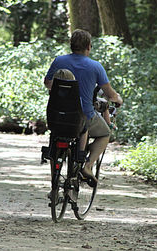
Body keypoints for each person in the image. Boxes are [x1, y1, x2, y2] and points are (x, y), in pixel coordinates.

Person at [44, 29, 123, 186]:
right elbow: (109, 93)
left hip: (56, 116)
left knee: (55, 140)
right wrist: (118, 99)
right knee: (105, 134)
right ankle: (87, 165)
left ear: (71, 45)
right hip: (83, 118)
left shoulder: (59, 61)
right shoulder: (95, 66)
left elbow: (48, 83)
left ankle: (54, 184)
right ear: (88, 46)